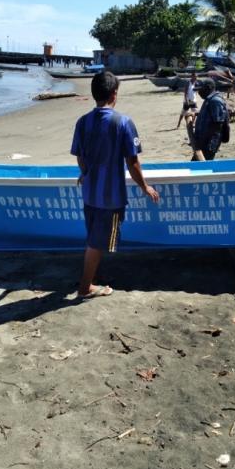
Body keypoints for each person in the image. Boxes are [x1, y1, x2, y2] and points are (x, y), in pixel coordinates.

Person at [70, 71, 160, 299]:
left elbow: (80, 157)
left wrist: (86, 173)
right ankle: (85, 288)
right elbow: (132, 162)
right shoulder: (123, 122)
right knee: (97, 242)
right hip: (110, 198)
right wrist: (145, 187)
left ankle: (92, 278)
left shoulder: (82, 122)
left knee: (94, 237)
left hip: (90, 194)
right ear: (114, 94)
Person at [192, 79, 230, 161]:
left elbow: (217, 124)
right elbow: (209, 115)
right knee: (198, 166)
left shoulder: (215, 101)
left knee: (200, 167)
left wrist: (202, 141)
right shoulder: (209, 99)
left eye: (201, 90)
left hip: (208, 143)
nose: (199, 93)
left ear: (208, 88)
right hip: (203, 142)